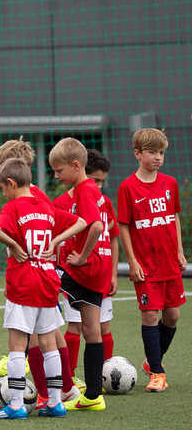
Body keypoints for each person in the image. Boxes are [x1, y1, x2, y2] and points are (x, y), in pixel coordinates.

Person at [0, 137, 80, 408]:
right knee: (49, 335)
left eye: (1, 172)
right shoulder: (39, 198)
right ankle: (59, 393)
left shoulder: (24, 201)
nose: (0, 185)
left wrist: (24, 249)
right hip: (45, 275)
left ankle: (52, 393)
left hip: (30, 277)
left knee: (39, 338)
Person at [117, 128, 186, 393]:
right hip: (146, 266)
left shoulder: (170, 183)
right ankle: (158, 372)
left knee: (172, 316)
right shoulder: (127, 187)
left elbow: (174, 216)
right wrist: (132, 262)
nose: (158, 157)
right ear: (137, 154)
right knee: (149, 316)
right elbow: (123, 226)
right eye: (152, 152)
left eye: (161, 152)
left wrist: (180, 251)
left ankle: (150, 362)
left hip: (170, 262)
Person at [49, 137, 112, 411]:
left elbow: (95, 226)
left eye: (59, 170)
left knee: (41, 309)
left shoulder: (85, 190)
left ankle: (51, 380)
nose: (55, 175)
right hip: (98, 268)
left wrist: (82, 256)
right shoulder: (91, 190)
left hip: (85, 268)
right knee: (91, 330)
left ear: (76, 166)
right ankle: (93, 396)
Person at [59, 149, 119, 391]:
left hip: (88, 269)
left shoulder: (93, 195)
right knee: (82, 327)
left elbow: (105, 230)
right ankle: (74, 379)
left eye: (102, 181)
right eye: (96, 179)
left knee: (47, 324)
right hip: (83, 268)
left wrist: (111, 271)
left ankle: (91, 382)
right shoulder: (64, 202)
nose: (100, 185)